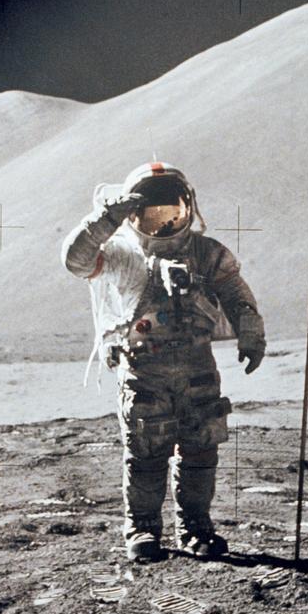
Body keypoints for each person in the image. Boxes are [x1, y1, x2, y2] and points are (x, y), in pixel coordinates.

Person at [61, 161, 266, 562]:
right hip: (144, 372)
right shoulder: (121, 254)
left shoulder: (207, 254)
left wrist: (251, 331)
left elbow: (236, 293)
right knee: (146, 454)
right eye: (152, 215)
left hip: (197, 368)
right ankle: (142, 530)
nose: (164, 224)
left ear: (187, 208)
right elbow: (76, 261)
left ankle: (196, 528)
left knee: (201, 451)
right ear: (133, 217)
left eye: (172, 214)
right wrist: (107, 219)